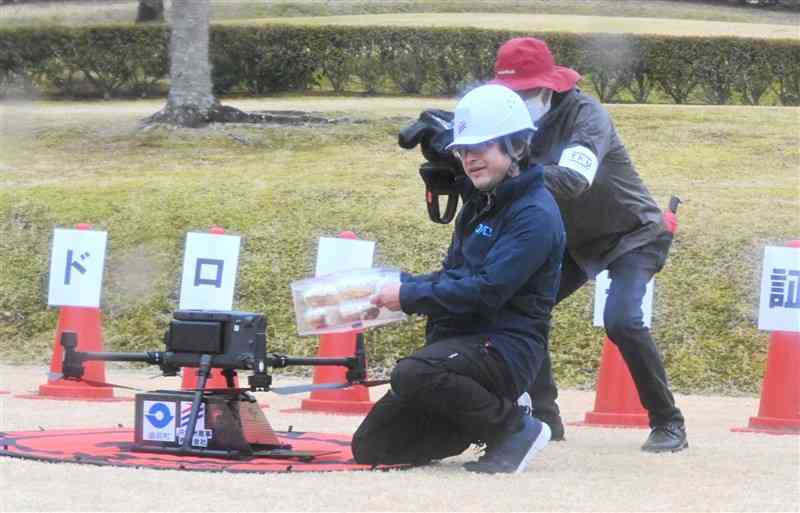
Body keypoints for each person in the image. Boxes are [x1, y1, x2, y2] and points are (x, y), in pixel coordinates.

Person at [351, 84, 566, 474]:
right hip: (464, 347)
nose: (468, 159)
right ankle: (471, 418)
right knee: (372, 446)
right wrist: (397, 286)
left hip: (506, 349)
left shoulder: (535, 215)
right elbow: (454, 276)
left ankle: (515, 427)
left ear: (515, 146)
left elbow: (486, 292)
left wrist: (409, 296)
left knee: (413, 372)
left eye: (480, 147)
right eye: (463, 150)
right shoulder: (480, 205)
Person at [489, 36, 688, 452]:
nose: (521, 100)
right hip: (575, 243)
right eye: (512, 93)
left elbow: (574, 180)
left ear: (551, 87)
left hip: (634, 233)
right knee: (522, 307)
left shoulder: (586, 114)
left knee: (622, 319)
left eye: (527, 92)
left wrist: (507, 169)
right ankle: (545, 417)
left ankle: (668, 423)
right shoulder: (509, 127)